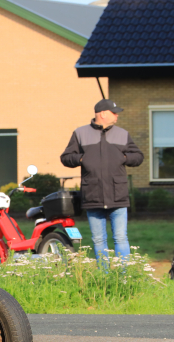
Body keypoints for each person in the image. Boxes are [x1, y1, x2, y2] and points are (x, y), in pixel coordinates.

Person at [60, 99, 143, 268]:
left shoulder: (122, 134)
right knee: (98, 240)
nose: (117, 115)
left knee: (121, 238)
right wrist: (81, 158)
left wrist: (124, 158)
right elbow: (66, 157)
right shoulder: (80, 133)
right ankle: (103, 276)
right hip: (93, 196)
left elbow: (138, 156)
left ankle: (123, 276)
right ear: (103, 114)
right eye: (114, 112)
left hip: (117, 194)